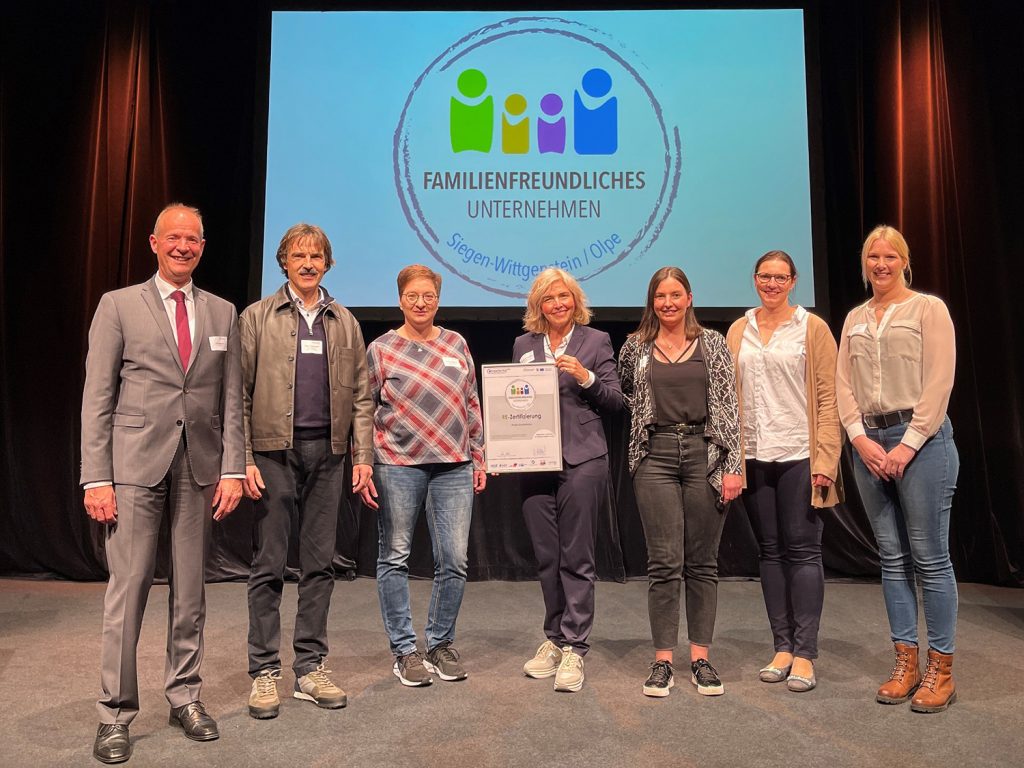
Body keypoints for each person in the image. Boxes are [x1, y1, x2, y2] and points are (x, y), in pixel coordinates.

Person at [81, 203, 244, 764]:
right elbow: (97, 399)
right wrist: (95, 477)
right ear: (154, 243)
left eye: (192, 238)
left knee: (191, 592)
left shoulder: (223, 312)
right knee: (127, 594)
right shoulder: (118, 305)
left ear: (203, 245)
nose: (183, 246)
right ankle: (115, 712)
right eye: (173, 237)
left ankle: (185, 696)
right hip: (131, 468)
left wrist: (232, 467)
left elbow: (231, 401)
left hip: (198, 467)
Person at [240, 223, 375, 719]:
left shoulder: (345, 321)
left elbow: (362, 396)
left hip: (330, 455)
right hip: (272, 455)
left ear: (328, 263)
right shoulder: (257, 317)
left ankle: (311, 667)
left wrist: (363, 458)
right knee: (269, 564)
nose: (308, 262)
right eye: (298, 254)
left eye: (316, 255)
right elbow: (239, 394)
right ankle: (263, 672)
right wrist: (244, 459)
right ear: (283, 262)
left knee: (320, 564)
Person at [836, 225, 959, 713]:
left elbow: (939, 382)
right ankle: (905, 662)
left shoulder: (928, 309)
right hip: (869, 443)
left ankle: (941, 669)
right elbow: (843, 382)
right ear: (864, 263)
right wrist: (860, 439)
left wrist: (907, 446)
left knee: (930, 558)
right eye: (873, 257)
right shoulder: (854, 317)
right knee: (892, 558)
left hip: (923, 441)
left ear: (904, 260)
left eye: (889, 256)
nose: (880, 265)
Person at [618, 266, 742, 698]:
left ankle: (701, 658)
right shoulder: (635, 346)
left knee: (702, 563)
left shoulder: (713, 343)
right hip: (655, 456)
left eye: (675, 294)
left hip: (704, 455)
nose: (668, 303)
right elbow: (629, 395)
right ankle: (663, 662)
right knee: (664, 562)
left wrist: (734, 464)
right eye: (660, 296)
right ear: (651, 302)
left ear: (689, 297)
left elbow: (728, 407)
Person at [726, 251, 843, 693]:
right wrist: (732, 458)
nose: (771, 283)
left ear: (793, 281)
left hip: (800, 454)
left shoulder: (812, 329)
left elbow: (829, 398)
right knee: (770, 552)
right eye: (764, 276)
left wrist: (826, 459)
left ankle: (806, 653)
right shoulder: (740, 329)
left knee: (804, 551)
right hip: (754, 454)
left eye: (780, 277)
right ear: (755, 279)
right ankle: (782, 647)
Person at [367, 265, 486, 686]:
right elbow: (364, 409)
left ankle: (439, 644)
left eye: (429, 296)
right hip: (397, 464)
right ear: (401, 299)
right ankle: (404, 651)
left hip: (454, 464)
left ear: (438, 299)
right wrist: (362, 461)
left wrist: (479, 454)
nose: (421, 303)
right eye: (413, 296)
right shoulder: (382, 348)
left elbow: (470, 401)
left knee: (454, 560)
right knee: (395, 558)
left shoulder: (456, 343)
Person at [514, 268, 623, 693]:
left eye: (565, 297)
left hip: (582, 459)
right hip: (533, 462)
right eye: (549, 298)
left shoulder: (595, 342)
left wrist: (586, 376)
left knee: (577, 556)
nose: (558, 304)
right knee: (546, 557)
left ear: (575, 301)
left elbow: (615, 400)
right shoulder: (524, 345)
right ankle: (554, 638)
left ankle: (576, 646)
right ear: (538, 305)